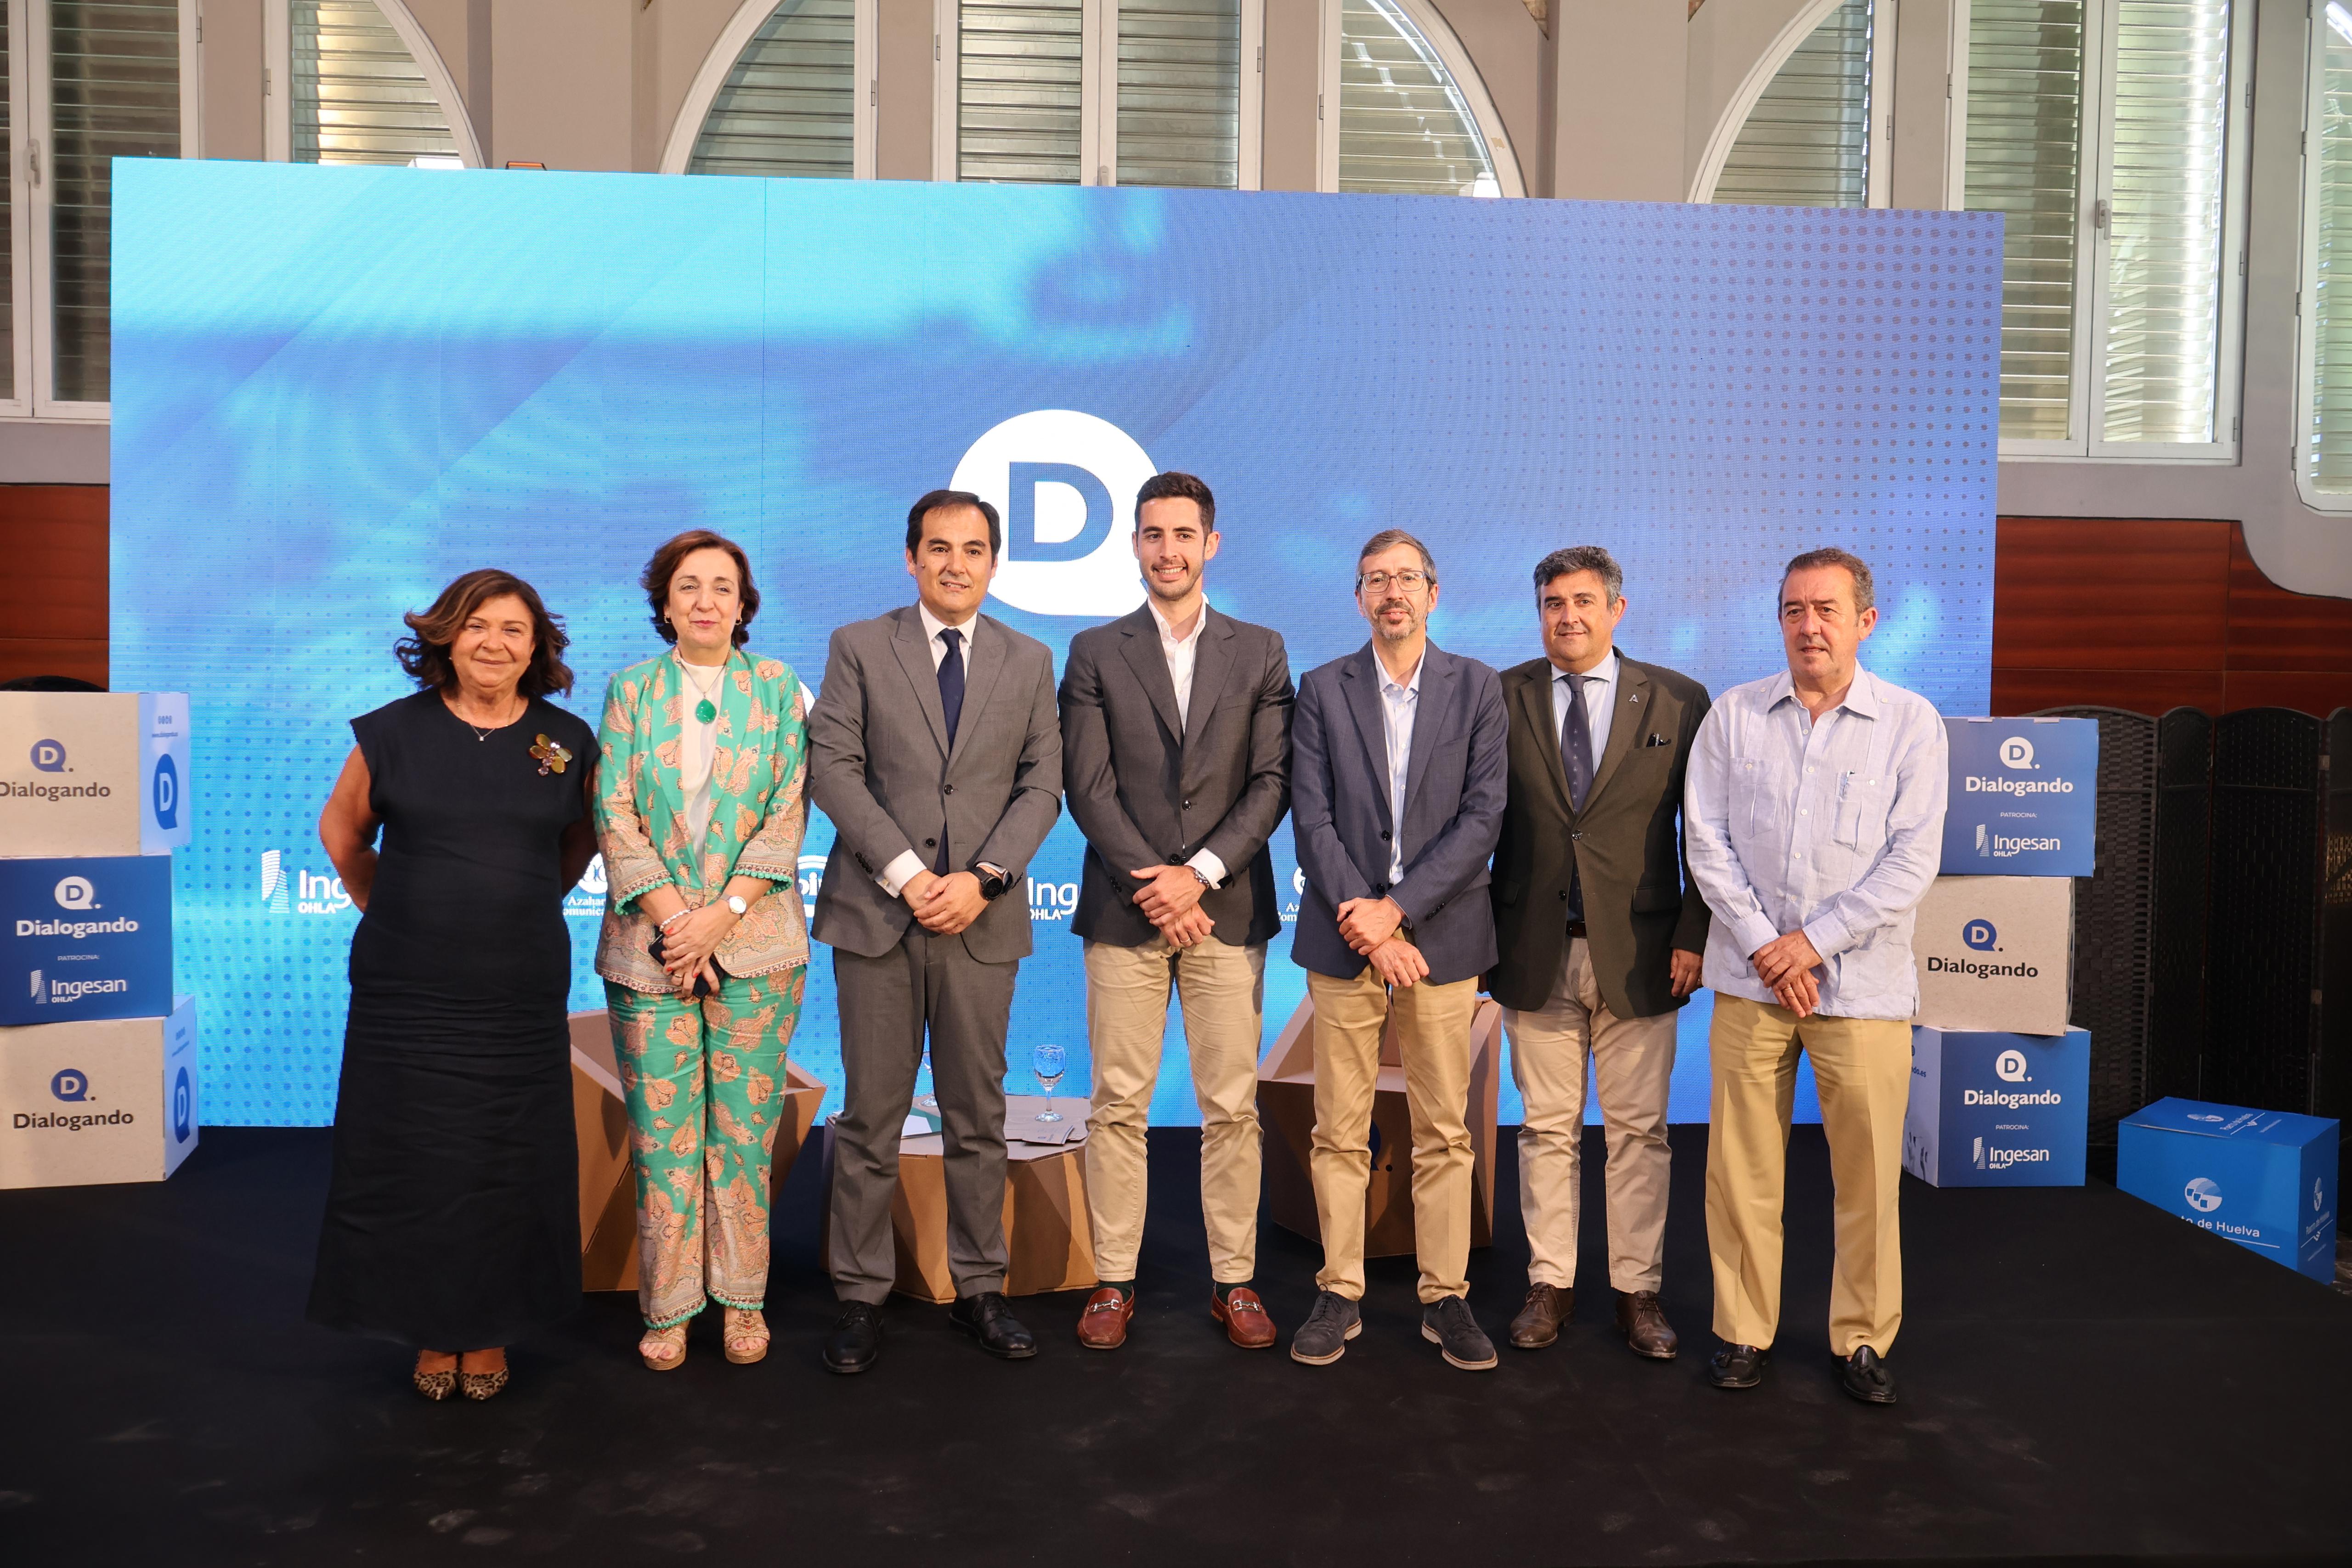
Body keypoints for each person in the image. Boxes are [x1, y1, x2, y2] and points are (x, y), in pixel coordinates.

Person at [309, 569, 599, 1402]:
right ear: (446, 635)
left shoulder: (567, 740)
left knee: (509, 1160)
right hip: (408, 992)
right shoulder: (392, 732)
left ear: (536, 648)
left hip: (517, 990)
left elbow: (580, 843)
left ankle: (492, 1328)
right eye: (477, 625)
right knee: (415, 1161)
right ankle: (433, 1332)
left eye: (514, 630)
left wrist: (518, 901)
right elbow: (343, 831)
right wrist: (396, 905)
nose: (494, 643)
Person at [1683, 547, 1947, 1406]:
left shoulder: (1911, 723)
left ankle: (1861, 1338)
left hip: (1863, 989)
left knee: (1866, 1179)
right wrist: (1771, 947)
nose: (1809, 626)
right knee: (1740, 1170)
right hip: (1751, 982)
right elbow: (1706, 843)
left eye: (1826, 609)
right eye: (1794, 609)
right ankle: (1742, 1331)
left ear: (1866, 621)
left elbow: (1912, 861)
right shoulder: (1734, 716)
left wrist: (1814, 944)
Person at [808, 490, 1063, 1373]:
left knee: (978, 1115)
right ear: (911, 557)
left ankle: (981, 1287)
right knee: (871, 1116)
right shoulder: (858, 645)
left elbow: (1043, 786)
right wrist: (910, 875)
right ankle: (859, 1293)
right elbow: (833, 768)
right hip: (879, 914)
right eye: (940, 547)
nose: (957, 563)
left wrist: (984, 879)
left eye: (975, 548)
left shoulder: (1031, 659)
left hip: (980, 921)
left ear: (995, 562)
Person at [1058, 472, 1295, 1352]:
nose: (1169, 550)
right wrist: (1155, 884)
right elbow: (1088, 786)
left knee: (1231, 1107)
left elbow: (1271, 782)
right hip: (1126, 912)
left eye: (1184, 534)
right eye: (1153, 534)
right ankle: (1112, 1280)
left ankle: (1234, 1282)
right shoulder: (1094, 650)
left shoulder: (1261, 649)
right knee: (1118, 1103)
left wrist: (1195, 876)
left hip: (1226, 910)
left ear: (1212, 544)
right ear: (1135, 545)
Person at [1287, 529, 1507, 1371]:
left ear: (1433, 593)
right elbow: (1311, 818)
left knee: (1445, 1130)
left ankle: (1444, 1295)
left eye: (1407, 578)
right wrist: (1367, 920)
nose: (1393, 593)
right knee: (1338, 1127)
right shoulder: (1322, 688)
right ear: (1358, 598)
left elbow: (1483, 818)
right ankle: (1339, 1290)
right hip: (1343, 937)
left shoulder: (1478, 687)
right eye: (1376, 579)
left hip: (1441, 938)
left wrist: (1398, 913)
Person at [593, 530, 811, 1372]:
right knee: (664, 1140)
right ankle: (670, 1307)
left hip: (756, 945)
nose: (707, 600)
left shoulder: (779, 688)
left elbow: (788, 809)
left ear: (744, 602)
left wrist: (721, 916)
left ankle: (744, 1300)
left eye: (724, 585)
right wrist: (676, 921)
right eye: (689, 585)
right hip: (650, 949)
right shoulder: (631, 691)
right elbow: (613, 811)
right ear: (665, 601)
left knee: (744, 1137)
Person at [1486, 546, 1711, 1359]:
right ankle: (1550, 1284)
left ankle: (1637, 1292)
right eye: (1553, 602)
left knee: (1639, 1132)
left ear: (1618, 609)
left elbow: (1707, 832)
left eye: (1584, 601)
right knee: (1544, 1130)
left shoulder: (1680, 699)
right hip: (1532, 950)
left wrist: (1695, 933)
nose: (1568, 616)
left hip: (1644, 953)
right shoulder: (1499, 695)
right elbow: (1479, 823)